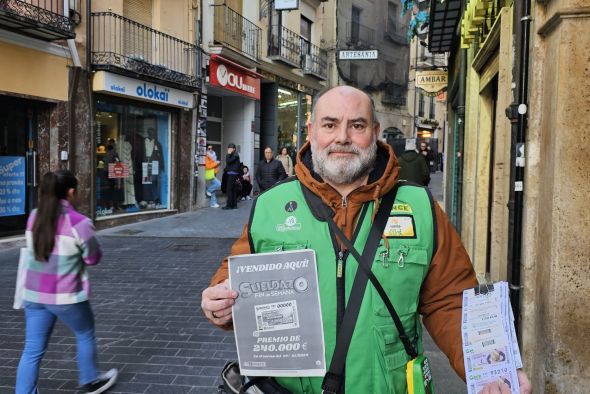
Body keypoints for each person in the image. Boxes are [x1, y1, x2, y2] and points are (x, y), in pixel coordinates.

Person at [201, 86, 532, 394]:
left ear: (374, 133)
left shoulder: (420, 207)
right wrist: (220, 303)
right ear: (312, 131)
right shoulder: (271, 204)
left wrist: (490, 368)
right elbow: (236, 276)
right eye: (330, 125)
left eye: (356, 125)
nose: (342, 137)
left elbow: (451, 300)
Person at [16, 170, 118, 394]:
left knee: (32, 350)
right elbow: (92, 258)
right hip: (65, 296)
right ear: (71, 192)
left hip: (33, 293)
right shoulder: (79, 222)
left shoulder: (34, 216)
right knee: (85, 333)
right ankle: (91, 380)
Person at [223, 143, 241, 210]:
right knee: (233, 189)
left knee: (229, 189)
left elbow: (228, 161)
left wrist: (228, 153)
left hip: (232, 174)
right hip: (232, 174)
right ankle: (234, 205)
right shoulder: (234, 155)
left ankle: (229, 205)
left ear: (234, 149)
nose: (229, 149)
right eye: (228, 148)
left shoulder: (235, 155)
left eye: (230, 148)